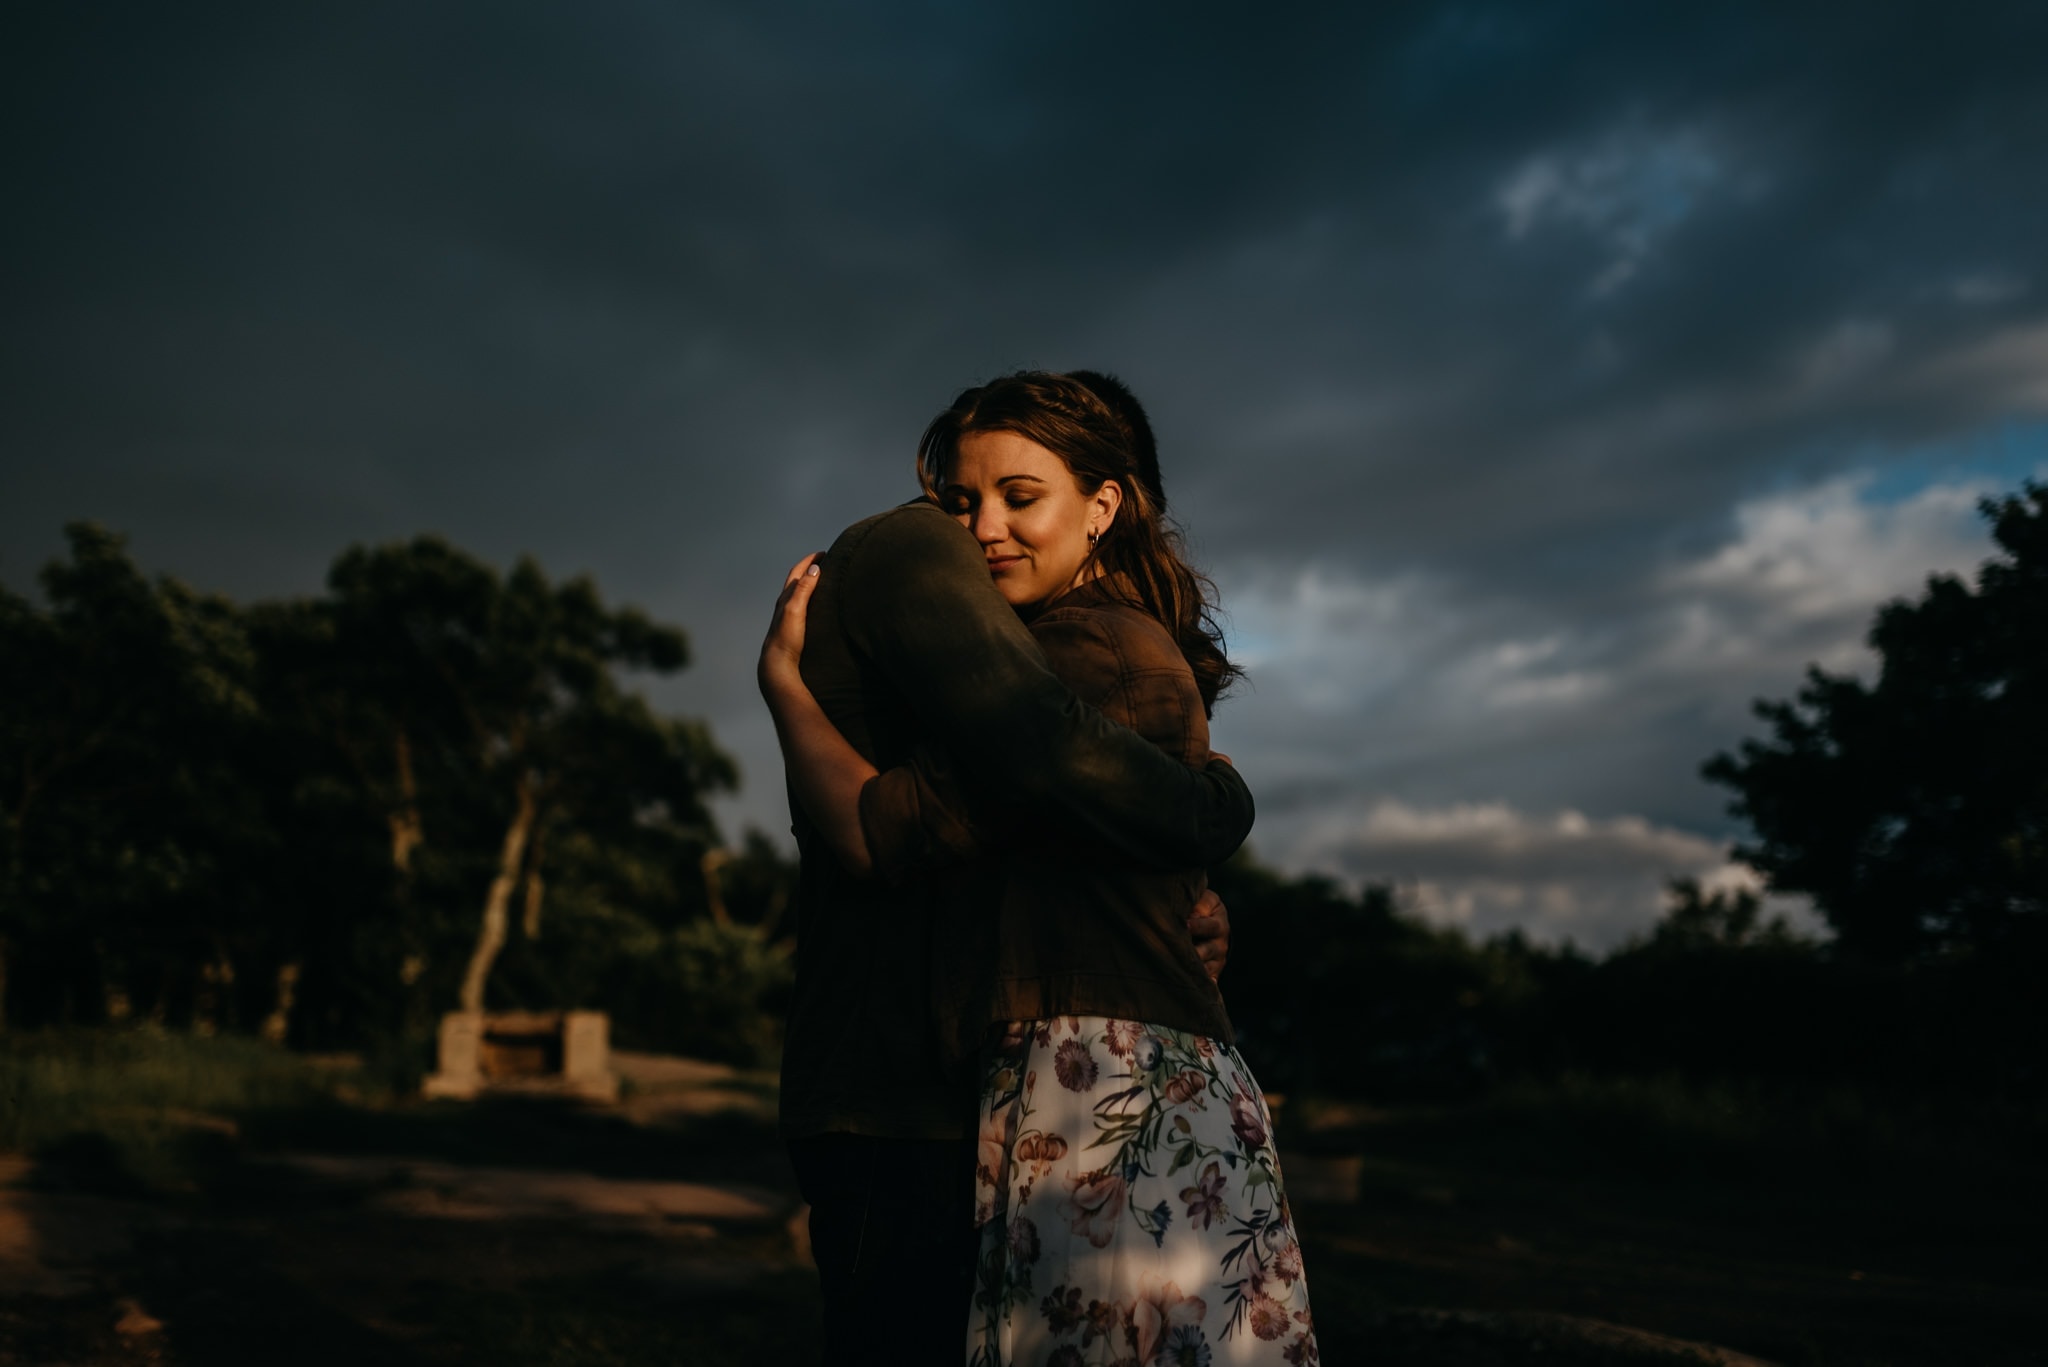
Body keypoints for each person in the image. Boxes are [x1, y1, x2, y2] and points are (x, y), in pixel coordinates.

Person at [761, 371, 1317, 1366]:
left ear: (1103, 505)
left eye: (1021, 497)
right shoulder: (1044, 655)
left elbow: (881, 828)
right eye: (963, 501)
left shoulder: (1083, 651)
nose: (983, 529)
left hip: (1083, 1098)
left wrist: (781, 687)